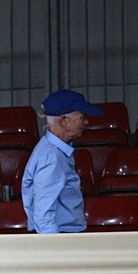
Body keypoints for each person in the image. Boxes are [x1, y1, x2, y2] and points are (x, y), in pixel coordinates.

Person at [21, 89, 103, 234]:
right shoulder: (52, 157)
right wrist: (54, 251)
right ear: (64, 120)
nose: (86, 122)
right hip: (61, 238)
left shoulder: (52, 151)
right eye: (82, 117)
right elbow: (44, 214)